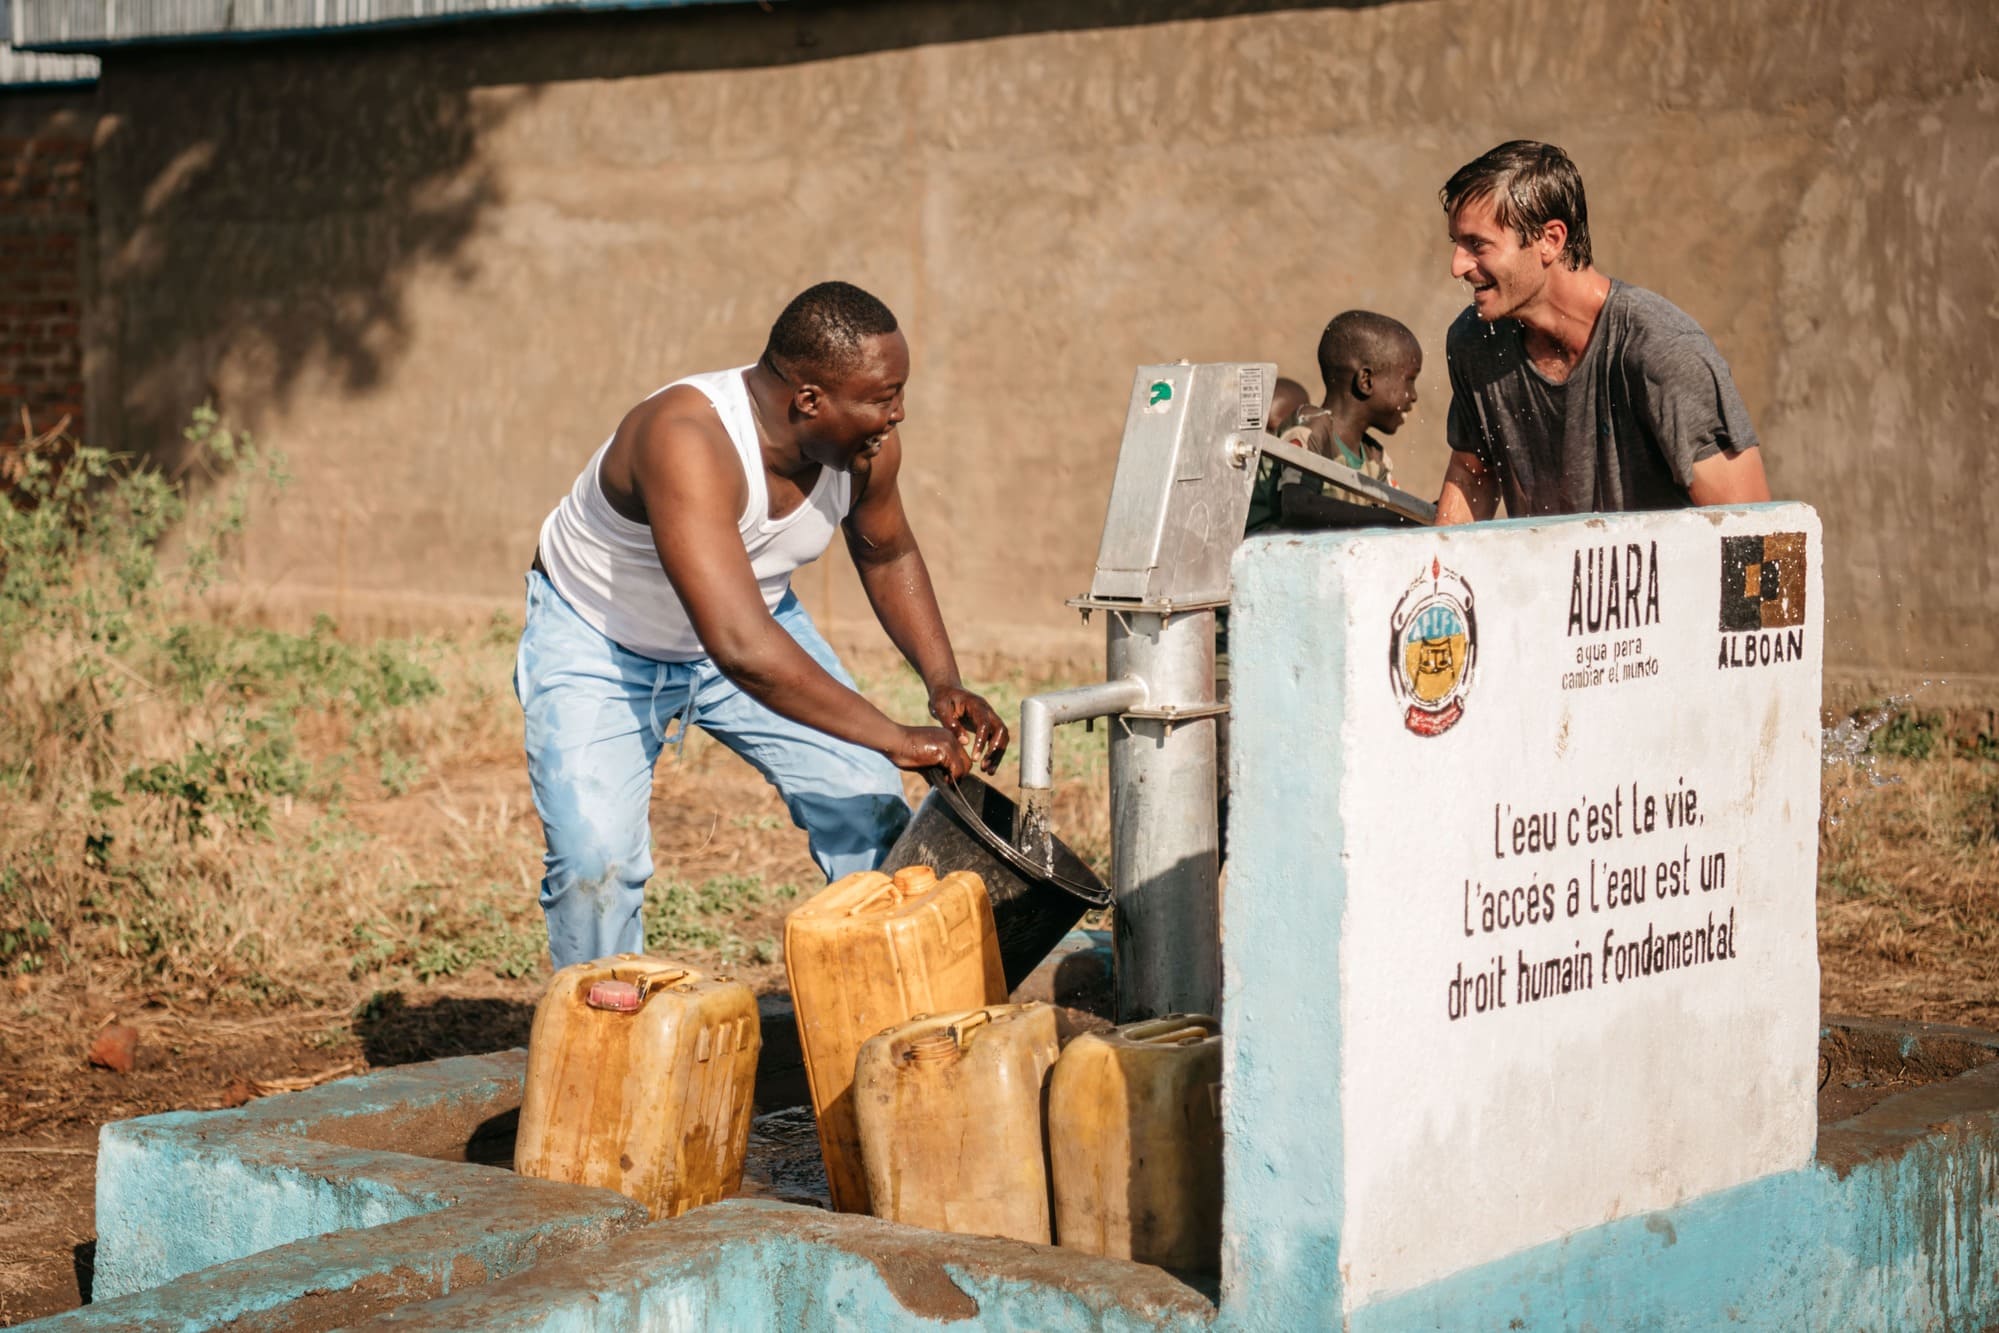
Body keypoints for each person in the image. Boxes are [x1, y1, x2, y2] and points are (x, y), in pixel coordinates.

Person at [516, 281, 1009, 968]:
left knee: (866, 801)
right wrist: (894, 736)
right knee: (594, 858)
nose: (896, 413)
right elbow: (742, 649)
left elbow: (885, 549)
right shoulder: (685, 439)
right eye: (880, 395)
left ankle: (889, 999)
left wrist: (942, 681)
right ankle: (604, 1027)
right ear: (808, 399)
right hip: (601, 635)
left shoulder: (866, 452)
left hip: (753, 615)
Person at [1434, 140, 1770, 523]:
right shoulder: (1476, 342)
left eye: (1477, 245)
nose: (1457, 266)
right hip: (1545, 583)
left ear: (1550, 239)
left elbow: (1755, 533)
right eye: (1457, 244)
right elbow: (1473, 474)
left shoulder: (1661, 353)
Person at [1246, 311, 1424, 536]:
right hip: (1261, 560)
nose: (1414, 395)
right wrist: (1399, 519)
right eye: (1409, 380)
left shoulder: (1374, 457)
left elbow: (1396, 511)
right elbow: (1298, 507)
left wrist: (1424, 514)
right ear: (1366, 381)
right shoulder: (1312, 426)